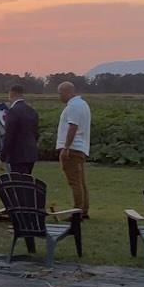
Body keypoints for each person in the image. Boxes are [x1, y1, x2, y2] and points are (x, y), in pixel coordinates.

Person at [56, 81, 92, 219]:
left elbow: (73, 127)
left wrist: (66, 147)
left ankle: (78, 211)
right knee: (80, 181)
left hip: (73, 149)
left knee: (74, 182)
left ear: (67, 92)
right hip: (80, 148)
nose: (60, 97)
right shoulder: (83, 104)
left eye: (60, 93)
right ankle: (84, 209)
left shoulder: (73, 106)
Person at [0, 82, 39, 174]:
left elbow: (9, 136)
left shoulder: (12, 111)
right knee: (27, 181)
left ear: (11, 94)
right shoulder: (32, 111)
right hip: (31, 153)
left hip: (17, 155)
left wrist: (2, 158)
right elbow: (36, 133)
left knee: (19, 183)